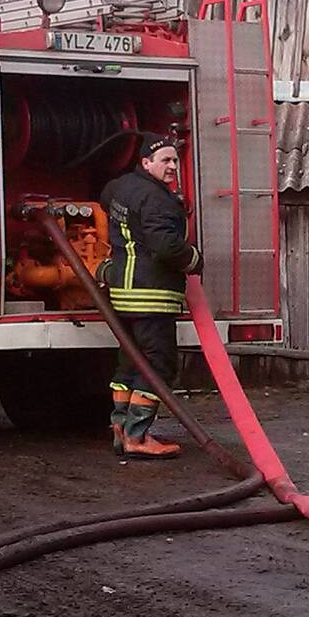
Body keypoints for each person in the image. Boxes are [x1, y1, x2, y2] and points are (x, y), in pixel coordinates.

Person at [99, 133, 202, 459]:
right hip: (151, 293)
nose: (172, 166)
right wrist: (195, 259)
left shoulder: (119, 188)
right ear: (146, 163)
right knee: (158, 364)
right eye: (165, 161)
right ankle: (138, 436)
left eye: (174, 160)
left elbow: (106, 201)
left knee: (130, 364)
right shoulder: (157, 199)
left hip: (122, 293)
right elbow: (165, 245)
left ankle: (120, 430)